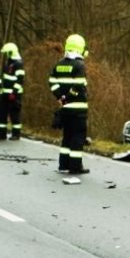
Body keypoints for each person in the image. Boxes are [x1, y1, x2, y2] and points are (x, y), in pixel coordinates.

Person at [49, 34, 90, 174]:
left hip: (65, 109)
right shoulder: (80, 65)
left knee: (67, 137)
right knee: (78, 137)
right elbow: (79, 85)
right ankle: (75, 166)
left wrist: (60, 96)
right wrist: (68, 96)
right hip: (78, 108)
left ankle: (63, 165)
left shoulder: (59, 64)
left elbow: (52, 81)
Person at [0, 42, 25, 140]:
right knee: (2, 114)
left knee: (14, 115)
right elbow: (5, 78)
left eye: (8, 53)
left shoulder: (18, 63)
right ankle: (1, 134)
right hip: (5, 93)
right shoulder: (8, 62)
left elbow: (20, 80)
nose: (6, 54)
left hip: (14, 95)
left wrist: (14, 92)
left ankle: (16, 134)